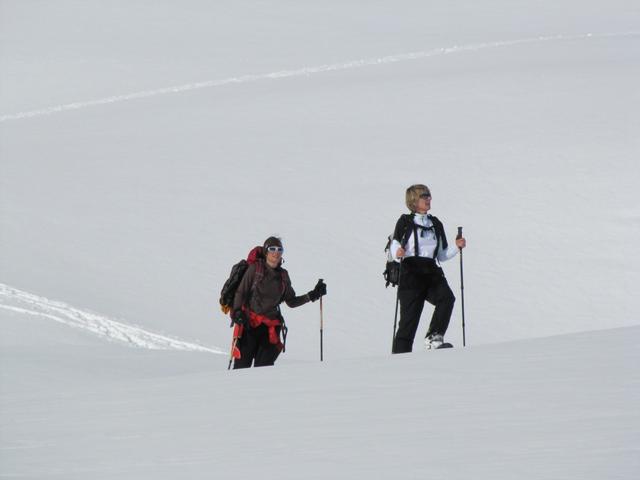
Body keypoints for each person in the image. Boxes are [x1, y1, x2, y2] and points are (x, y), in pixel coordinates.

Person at [390, 184, 466, 353]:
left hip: (431, 271)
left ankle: (434, 337)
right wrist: (398, 253)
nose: (429, 199)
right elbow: (394, 243)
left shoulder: (435, 223)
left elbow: (441, 255)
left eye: (429, 195)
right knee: (409, 320)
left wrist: (456, 246)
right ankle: (399, 358)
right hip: (410, 272)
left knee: (447, 298)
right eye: (424, 196)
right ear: (414, 200)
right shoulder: (405, 221)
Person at [232, 236, 326, 368]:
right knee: (241, 368)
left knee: (264, 369)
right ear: (266, 251)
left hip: (270, 328)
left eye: (279, 249)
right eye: (272, 249)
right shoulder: (255, 269)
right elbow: (241, 292)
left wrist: (312, 295)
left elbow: (291, 302)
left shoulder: (283, 276)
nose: (276, 252)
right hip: (249, 325)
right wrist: (236, 312)